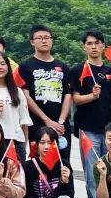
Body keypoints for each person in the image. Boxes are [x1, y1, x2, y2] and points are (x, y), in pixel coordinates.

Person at [69, 30, 111, 198]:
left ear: (103, 46)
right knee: (93, 172)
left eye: (97, 43)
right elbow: (75, 99)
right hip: (87, 129)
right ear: (84, 47)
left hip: (110, 129)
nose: (93, 47)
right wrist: (91, 96)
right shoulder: (77, 70)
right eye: (89, 43)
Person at [18, 25, 72, 164]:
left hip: (61, 126)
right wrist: (47, 120)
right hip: (37, 124)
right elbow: (25, 95)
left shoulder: (63, 67)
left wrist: (60, 121)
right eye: (39, 38)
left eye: (47, 37)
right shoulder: (25, 66)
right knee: (39, 164)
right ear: (32, 42)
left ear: (52, 41)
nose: (44, 41)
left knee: (63, 163)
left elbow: (68, 94)